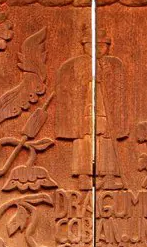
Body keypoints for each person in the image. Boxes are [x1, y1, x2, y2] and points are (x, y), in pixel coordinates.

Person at [55, 27, 128, 189]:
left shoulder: (114, 65)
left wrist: (106, 79)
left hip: (106, 113)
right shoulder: (76, 65)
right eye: (93, 45)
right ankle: (83, 177)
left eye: (102, 45)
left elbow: (118, 90)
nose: (98, 49)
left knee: (107, 142)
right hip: (85, 113)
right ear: (85, 46)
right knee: (84, 143)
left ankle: (108, 177)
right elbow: (69, 88)